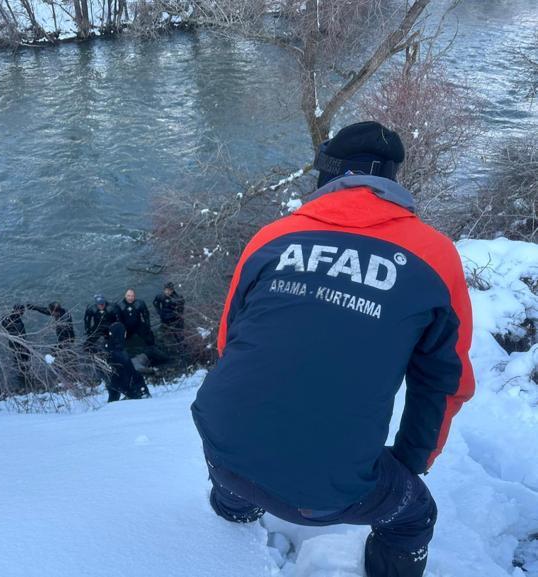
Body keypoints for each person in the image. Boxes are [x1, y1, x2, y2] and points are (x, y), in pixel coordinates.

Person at [191, 121, 475, 577]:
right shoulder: (434, 256)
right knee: (413, 517)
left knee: (240, 460)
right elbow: (444, 383)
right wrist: (407, 464)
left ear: (327, 174)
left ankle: (233, 507)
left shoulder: (271, 237)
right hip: (333, 491)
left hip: (220, 447)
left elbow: (229, 343)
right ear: (391, 180)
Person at [105, 322, 150, 402]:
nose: (125, 333)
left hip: (115, 383)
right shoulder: (116, 350)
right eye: (124, 331)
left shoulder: (114, 346)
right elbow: (125, 371)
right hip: (120, 383)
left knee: (113, 401)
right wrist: (131, 391)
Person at [153, 282, 185, 346]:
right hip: (164, 318)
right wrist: (159, 312)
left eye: (169, 290)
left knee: (179, 335)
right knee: (161, 335)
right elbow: (155, 303)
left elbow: (181, 309)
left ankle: (180, 344)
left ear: (172, 290)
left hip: (175, 319)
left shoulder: (177, 298)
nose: (167, 292)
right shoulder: (160, 296)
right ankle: (162, 343)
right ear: (164, 290)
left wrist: (177, 315)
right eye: (166, 290)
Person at [1, 304, 29, 369]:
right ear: (18, 311)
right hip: (18, 344)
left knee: (17, 359)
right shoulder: (18, 322)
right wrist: (24, 347)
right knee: (24, 360)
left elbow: (3, 322)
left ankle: (19, 370)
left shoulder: (7, 319)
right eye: (22, 311)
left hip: (12, 342)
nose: (23, 312)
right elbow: (20, 335)